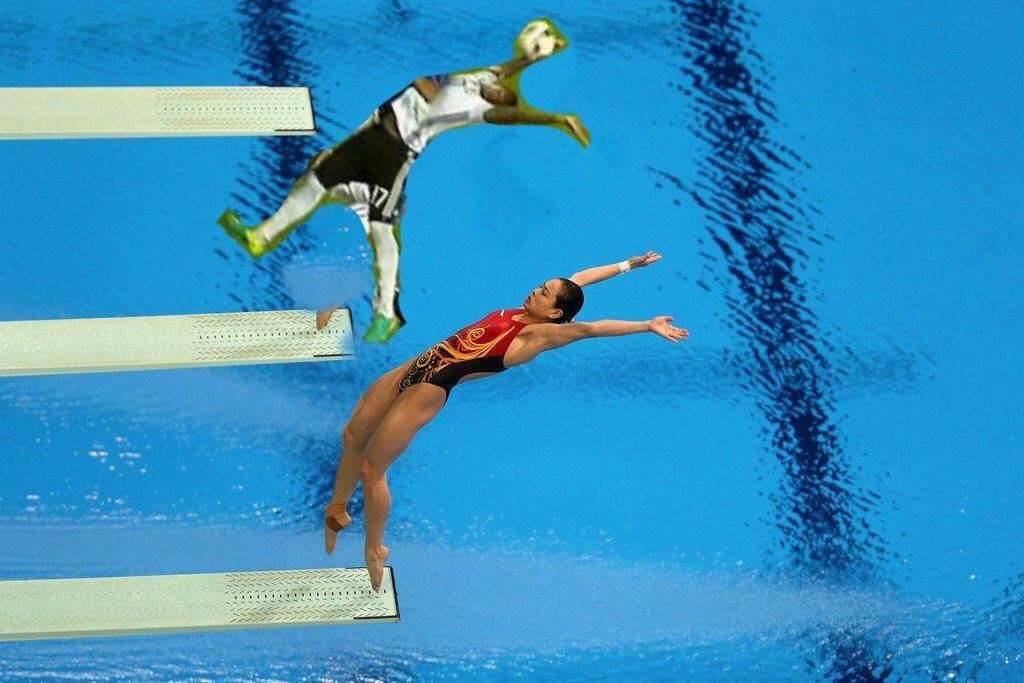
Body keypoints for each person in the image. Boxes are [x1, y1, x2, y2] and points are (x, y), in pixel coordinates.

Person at [318, 251, 689, 590]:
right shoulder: (532, 310)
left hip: (428, 388)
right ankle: (337, 510)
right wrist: (628, 265)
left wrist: (646, 325)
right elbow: (581, 278)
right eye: (541, 286)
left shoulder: (538, 335)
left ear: (554, 314)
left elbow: (592, 328)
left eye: (544, 293)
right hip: (417, 364)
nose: (536, 291)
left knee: (371, 470)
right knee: (352, 436)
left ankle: (375, 549)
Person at [217, 18, 590, 343]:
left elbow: (518, 115)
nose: (501, 91)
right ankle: (260, 236)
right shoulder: (484, 78)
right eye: (503, 88)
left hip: (394, 154)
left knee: (381, 230)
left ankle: (386, 313)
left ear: (504, 102)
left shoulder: (484, 109)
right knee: (315, 180)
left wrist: (558, 120)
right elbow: (509, 66)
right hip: (374, 133)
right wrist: (531, 57)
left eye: (505, 96)